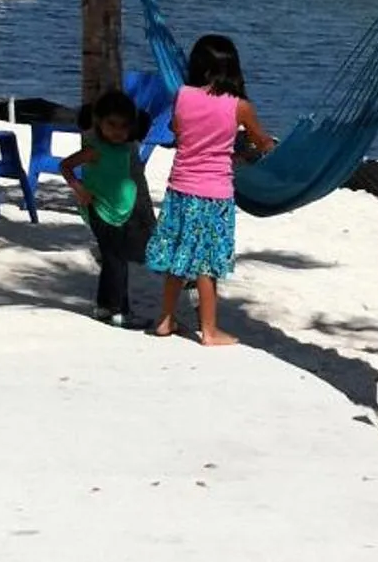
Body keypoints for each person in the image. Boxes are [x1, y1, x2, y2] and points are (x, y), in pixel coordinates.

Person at [146, 34, 275, 346]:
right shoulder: (240, 107)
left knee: (176, 255)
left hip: (180, 188)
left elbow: (179, 132)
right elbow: (263, 143)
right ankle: (210, 330)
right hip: (214, 194)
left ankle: (164, 320)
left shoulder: (183, 95)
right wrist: (256, 150)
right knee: (207, 264)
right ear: (233, 68)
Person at [59, 86, 156, 326]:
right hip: (100, 209)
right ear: (99, 122)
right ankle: (118, 311)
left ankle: (105, 307)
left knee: (115, 258)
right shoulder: (95, 150)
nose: (118, 132)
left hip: (119, 212)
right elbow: (66, 165)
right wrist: (79, 188)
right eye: (112, 125)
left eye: (124, 126)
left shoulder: (125, 148)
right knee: (116, 261)